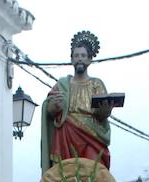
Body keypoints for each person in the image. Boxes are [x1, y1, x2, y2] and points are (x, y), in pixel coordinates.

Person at [41, 30, 115, 173]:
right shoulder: (62, 84)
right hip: (66, 135)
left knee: (93, 173)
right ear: (72, 59)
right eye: (76, 55)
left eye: (83, 55)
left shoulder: (96, 84)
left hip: (92, 136)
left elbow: (102, 113)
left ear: (89, 59)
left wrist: (105, 111)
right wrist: (53, 106)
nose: (79, 58)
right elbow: (49, 109)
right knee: (65, 175)